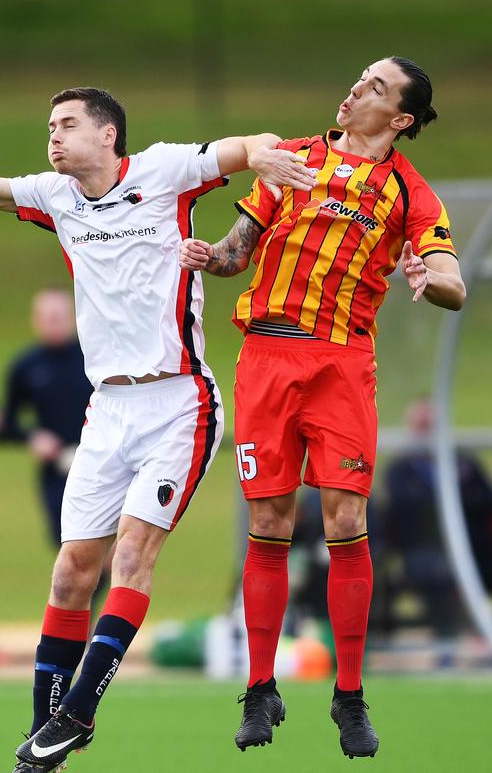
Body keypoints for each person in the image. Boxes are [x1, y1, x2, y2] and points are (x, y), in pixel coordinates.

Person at [0, 83, 316, 771]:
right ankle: (45, 735)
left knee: (132, 556)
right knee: (71, 572)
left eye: (66, 123)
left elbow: (247, 146)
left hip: (177, 403)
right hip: (107, 411)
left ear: (108, 135)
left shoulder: (162, 171)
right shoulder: (54, 195)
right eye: (49, 125)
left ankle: (79, 712)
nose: (53, 135)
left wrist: (265, 158)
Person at [179, 57, 466, 759]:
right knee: (269, 519)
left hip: (341, 365)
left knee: (346, 518)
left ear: (399, 119)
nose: (353, 88)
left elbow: (454, 277)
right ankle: (259, 687)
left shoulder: (409, 193)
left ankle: (348, 695)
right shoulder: (291, 160)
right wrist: (201, 254)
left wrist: (432, 277)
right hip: (269, 359)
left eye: (373, 87)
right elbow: (235, 253)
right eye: (359, 77)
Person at [383, 397, 492, 640]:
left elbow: (487, 502)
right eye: (422, 426)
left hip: (475, 550)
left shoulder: (465, 465)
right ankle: (450, 639)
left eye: (431, 425)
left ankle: (481, 633)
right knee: (438, 573)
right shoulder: (400, 470)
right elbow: (404, 510)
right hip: (423, 554)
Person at [0, 288, 93, 549]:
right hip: (56, 470)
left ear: (73, 317)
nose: (53, 322)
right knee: (68, 546)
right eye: (47, 316)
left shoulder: (94, 359)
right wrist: (32, 437)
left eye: (59, 315)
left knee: (107, 546)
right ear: (35, 320)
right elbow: (8, 422)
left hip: (100, 464)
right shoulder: (25, 366)